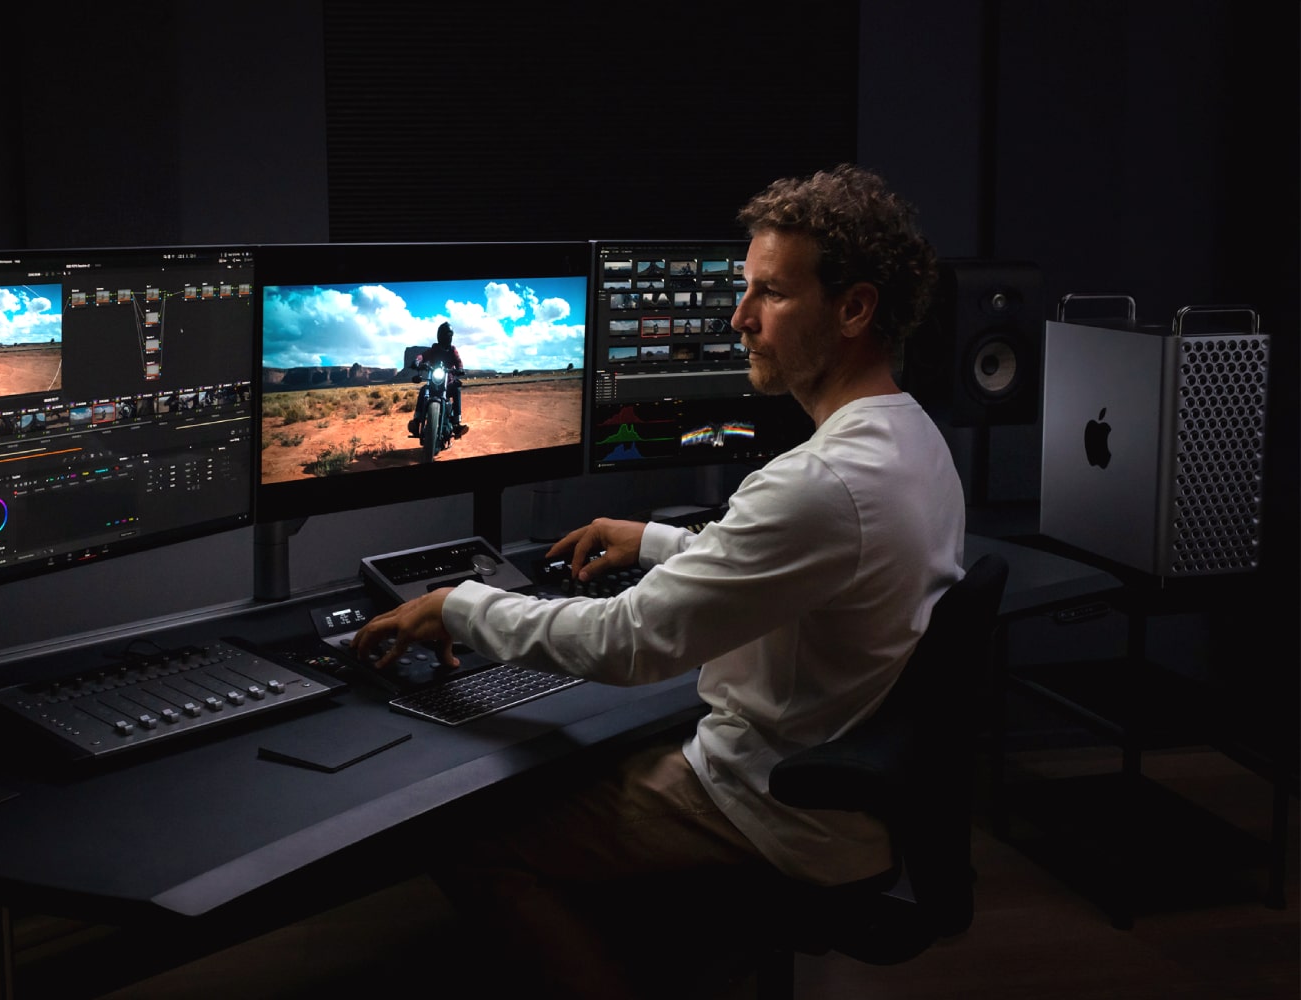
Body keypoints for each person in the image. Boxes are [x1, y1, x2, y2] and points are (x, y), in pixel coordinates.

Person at [353, 164, 965, 998]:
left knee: (477, 841)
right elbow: (792, 568)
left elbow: (624, 643)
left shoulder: (820, 482)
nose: (741, 318)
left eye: (771, 295)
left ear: (854, 309)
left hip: (769, 804)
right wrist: (651, 540)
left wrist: (458, 606)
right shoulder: (912, 442)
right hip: (843, 791)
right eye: (745, 290)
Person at [407, 321, 469, 438]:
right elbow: (423, 356)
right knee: (423, 390)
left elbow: (458, 362)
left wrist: (460, 369)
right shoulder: (434, 349)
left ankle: (456, 423)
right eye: (446, 335)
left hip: (448, 383)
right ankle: (416, 421)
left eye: (449, 335)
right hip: (434, 382)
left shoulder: (452, 350)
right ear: (440, 335)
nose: (448, 337)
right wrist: (417, 361)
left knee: (457, 390)